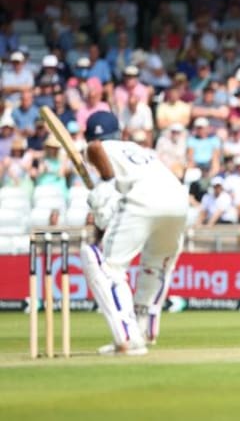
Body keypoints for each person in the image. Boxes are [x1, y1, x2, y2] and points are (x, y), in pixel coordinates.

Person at [79, 111, 189, 355]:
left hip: (144, 198)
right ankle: (143, 328)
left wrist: (106, 183)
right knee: (156, 264)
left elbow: (95, 148)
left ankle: (127, 337)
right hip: (178, 200)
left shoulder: (95, 148)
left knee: (106, 266)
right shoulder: (135, 150)